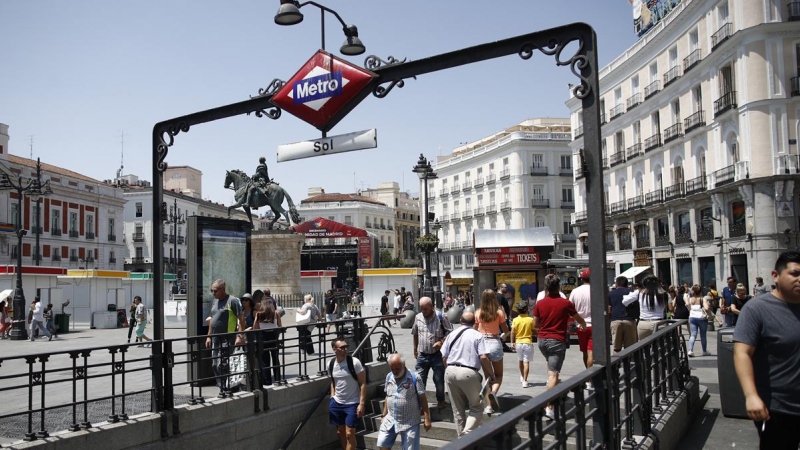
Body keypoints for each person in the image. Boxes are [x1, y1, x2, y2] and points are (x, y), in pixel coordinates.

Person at [734, 251, 800, 449]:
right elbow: (742, 353)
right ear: (776, 276)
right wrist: (751, 396)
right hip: (777, 408)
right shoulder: (757, 309)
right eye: (795, 274)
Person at [533, 273, 587, 419]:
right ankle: (548, 406)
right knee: (553, 373)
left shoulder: (540, 303)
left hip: (542, 341)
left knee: (551, 369)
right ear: (559, 286)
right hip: (557, 340)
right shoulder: (565, 303)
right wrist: (582, 325)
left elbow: (535, 324)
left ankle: (554, 388)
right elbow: (577, 317)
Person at [442, 311, 495, 436]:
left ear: (460, 321)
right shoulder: (477, 335)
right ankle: (467, 432)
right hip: (468, 372)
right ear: (475, 322)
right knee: (476, 407)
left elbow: (444, 356)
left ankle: (462, 441)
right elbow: (483, 357)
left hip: (450, 370)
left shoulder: (452, 334)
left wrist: (448, 369)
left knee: (457, 410)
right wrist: (491, 373)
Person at [377, 353, 431, 450]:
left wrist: (427, 418)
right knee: (382, 444)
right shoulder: (389, 376)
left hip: (409, 421)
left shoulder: (415, 377)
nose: (395, 371)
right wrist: (383, 415)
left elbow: (423, 398)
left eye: (397, 369)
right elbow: (387, 396)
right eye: (392, 369)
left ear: (403, 364)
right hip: (390, 419)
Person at [205, 279, 246, 397]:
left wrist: (239, 335)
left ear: (223, 289)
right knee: (214, 364)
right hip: (215, 338)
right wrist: (208, 337)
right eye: (211, 290)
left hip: (227, 337)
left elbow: (241, 319)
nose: (213, 293)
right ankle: (222, 387)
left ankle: (226, 388)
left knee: (222, 364)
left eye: (215, 291)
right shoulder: (214, 302)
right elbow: (212, 320)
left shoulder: (232, 301)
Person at [411, 296, 451, 410]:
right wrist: (415, 349)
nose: (423, 312)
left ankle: (441, 400)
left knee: (438, 379)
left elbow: (450, 333)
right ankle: (420, 405)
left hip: (437, 355)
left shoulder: (441, 317)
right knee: (419, 380)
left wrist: (441, 342)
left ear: (432, 307)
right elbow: (415, 333)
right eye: (422, 309)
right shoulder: (418, 317)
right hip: (422, 355)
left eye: (426, 309)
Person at [473, 288, 509, 414]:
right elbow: (506, 329)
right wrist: (504, 336)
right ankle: (494, 392)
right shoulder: (499, 313)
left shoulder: (478, 312)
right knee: (498, 375)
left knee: (488, 376)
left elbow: (474, 330)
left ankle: (488, 406)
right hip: (495, 342)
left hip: (482, 344)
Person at [328, 338, 367, 450]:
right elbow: (332, 381)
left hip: (352, 403)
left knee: (349, 433)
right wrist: (332, 397)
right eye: (342, 348)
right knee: (340, 432)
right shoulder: (330, 364)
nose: (346, 350)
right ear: (335, 350)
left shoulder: (354, 362)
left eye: (346, 347)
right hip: (337, 402)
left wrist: (361, 403)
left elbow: (363, 383)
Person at [568, 269, 594, 387]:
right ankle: (590, 378)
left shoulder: (575, 291)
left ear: (582, 279)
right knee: (591, 352)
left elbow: (570, 307)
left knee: (585, 352)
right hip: (594, 325)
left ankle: (588, 377)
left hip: (581, 326)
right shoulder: (596, 289)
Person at [627, 275, 669, 340]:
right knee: (660, 346)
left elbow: (625, 301)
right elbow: (666, 306)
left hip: (644, 323)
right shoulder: (664, 294)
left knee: (644, 347)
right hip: (660, 323)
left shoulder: (640, 293)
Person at [254, 300, 282, 386]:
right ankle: (277, 379)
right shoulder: (276, 313)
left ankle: (267, 381)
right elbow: (280, 326)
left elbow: (255, 327)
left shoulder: (259, 314)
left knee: (265, 360)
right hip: (273, 336)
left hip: (263, 337)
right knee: (275, 359)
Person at [608, 276, 636, 353]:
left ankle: (616, 364)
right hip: (629, 320)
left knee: (616, 348)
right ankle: (629, 364)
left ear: (616, 284)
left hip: (616, 320)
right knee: (630, 348)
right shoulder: (632, 293)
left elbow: (609, 310)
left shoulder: (610, 294)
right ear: (627, 284)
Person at [510, 301, 534, 388]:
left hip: (518, 343)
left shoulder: (515, 320)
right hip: (528, 342)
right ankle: (525, 380)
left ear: (517, 310)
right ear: (526, 309)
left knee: (520, 360)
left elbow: (512, 332)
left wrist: (512, 342)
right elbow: (534, 330)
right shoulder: (531, 320)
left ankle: (522, 376)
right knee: (526, 362)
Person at [686, 284, 712, 357]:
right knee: (703, 335)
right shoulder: (702, 299)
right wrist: (707, 304)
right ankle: (704, 351)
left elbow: (688, 305)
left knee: (693, 335)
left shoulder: (690, 299)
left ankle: (690, 350)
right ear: (700, 291)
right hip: (701, 317)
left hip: (692, 317)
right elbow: (706, 308)